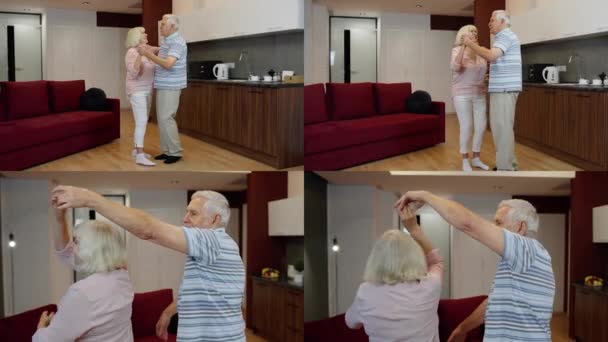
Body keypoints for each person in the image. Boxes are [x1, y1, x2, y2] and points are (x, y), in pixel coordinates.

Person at [51, 185, 246, 341]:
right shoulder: (213, 248)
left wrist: (89, 199)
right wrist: (168, 312)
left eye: (193, 214)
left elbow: (149, 230)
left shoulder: (213, 242)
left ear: (215, 220)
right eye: (186, 212)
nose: (184, 219)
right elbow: (208, 292)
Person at [395, 193, 554, 342]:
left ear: (521, 228)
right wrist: (462, 329)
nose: (493, 226)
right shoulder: (521, 261)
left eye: (498, 222)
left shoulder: (527, 249)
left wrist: (424, 195)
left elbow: (467, 223)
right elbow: (491, 304)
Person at [33, 201, 134, 341]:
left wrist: (41, 327)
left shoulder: (82, 292)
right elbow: (66, 253)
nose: (71, 245)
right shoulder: (122, 276)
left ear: (90, 250)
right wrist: (60, 219)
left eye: (76, 241)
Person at [345, 203, 444, 341]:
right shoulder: (429, 285)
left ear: (376, 259)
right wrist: (414, 229)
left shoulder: (365, 291)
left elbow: (350, 323)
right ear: (414, 256)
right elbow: (435, 262)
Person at [464, 10, 522, 171]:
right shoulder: (505, 36)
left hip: (504, 90)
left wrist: (471, 44)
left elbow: (491, 56)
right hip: (504, 88)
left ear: (502, 21)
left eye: (492, 20)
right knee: (503, 129)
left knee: (502, 129)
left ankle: (506, 168)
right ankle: (509, 164)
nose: (489, 24)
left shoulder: (505, 35)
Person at [138, 14, 187, 164]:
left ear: (172, 27)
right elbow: (167, 50)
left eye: (163, 24)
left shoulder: (177, 41)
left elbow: (168, 64)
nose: (160, 27)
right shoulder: (168, 40)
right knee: (163, 119)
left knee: (167, 118)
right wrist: (156, 48)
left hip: (171, 85)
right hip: (163, 84)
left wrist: (148, 54)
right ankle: (167, 151)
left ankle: (175, 152)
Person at [451, 25, 490, 171]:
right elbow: (456, 67)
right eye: (471, 31)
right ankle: (465, 160)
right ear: (463, 35)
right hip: (461, 94)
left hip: (479, 94)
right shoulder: (456, 50)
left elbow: (482, 73)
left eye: (476, 31)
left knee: (481, 127)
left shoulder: (481, 52)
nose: (474, 33)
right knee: (467, 126)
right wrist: (464, 47)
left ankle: (476, 158)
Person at [125, 27, 159, 167]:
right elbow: (133, 72)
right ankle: (140, 155)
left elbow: (158, 50)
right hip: (136, 90)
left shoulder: (147, 50)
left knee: (143, 120)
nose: (146, 34)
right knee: (142, 121)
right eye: (143, 33)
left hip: (147, 90)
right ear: (136, 37)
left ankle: (135, 149)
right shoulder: (131, 52)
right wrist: (140, 54)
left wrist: (150, 50)